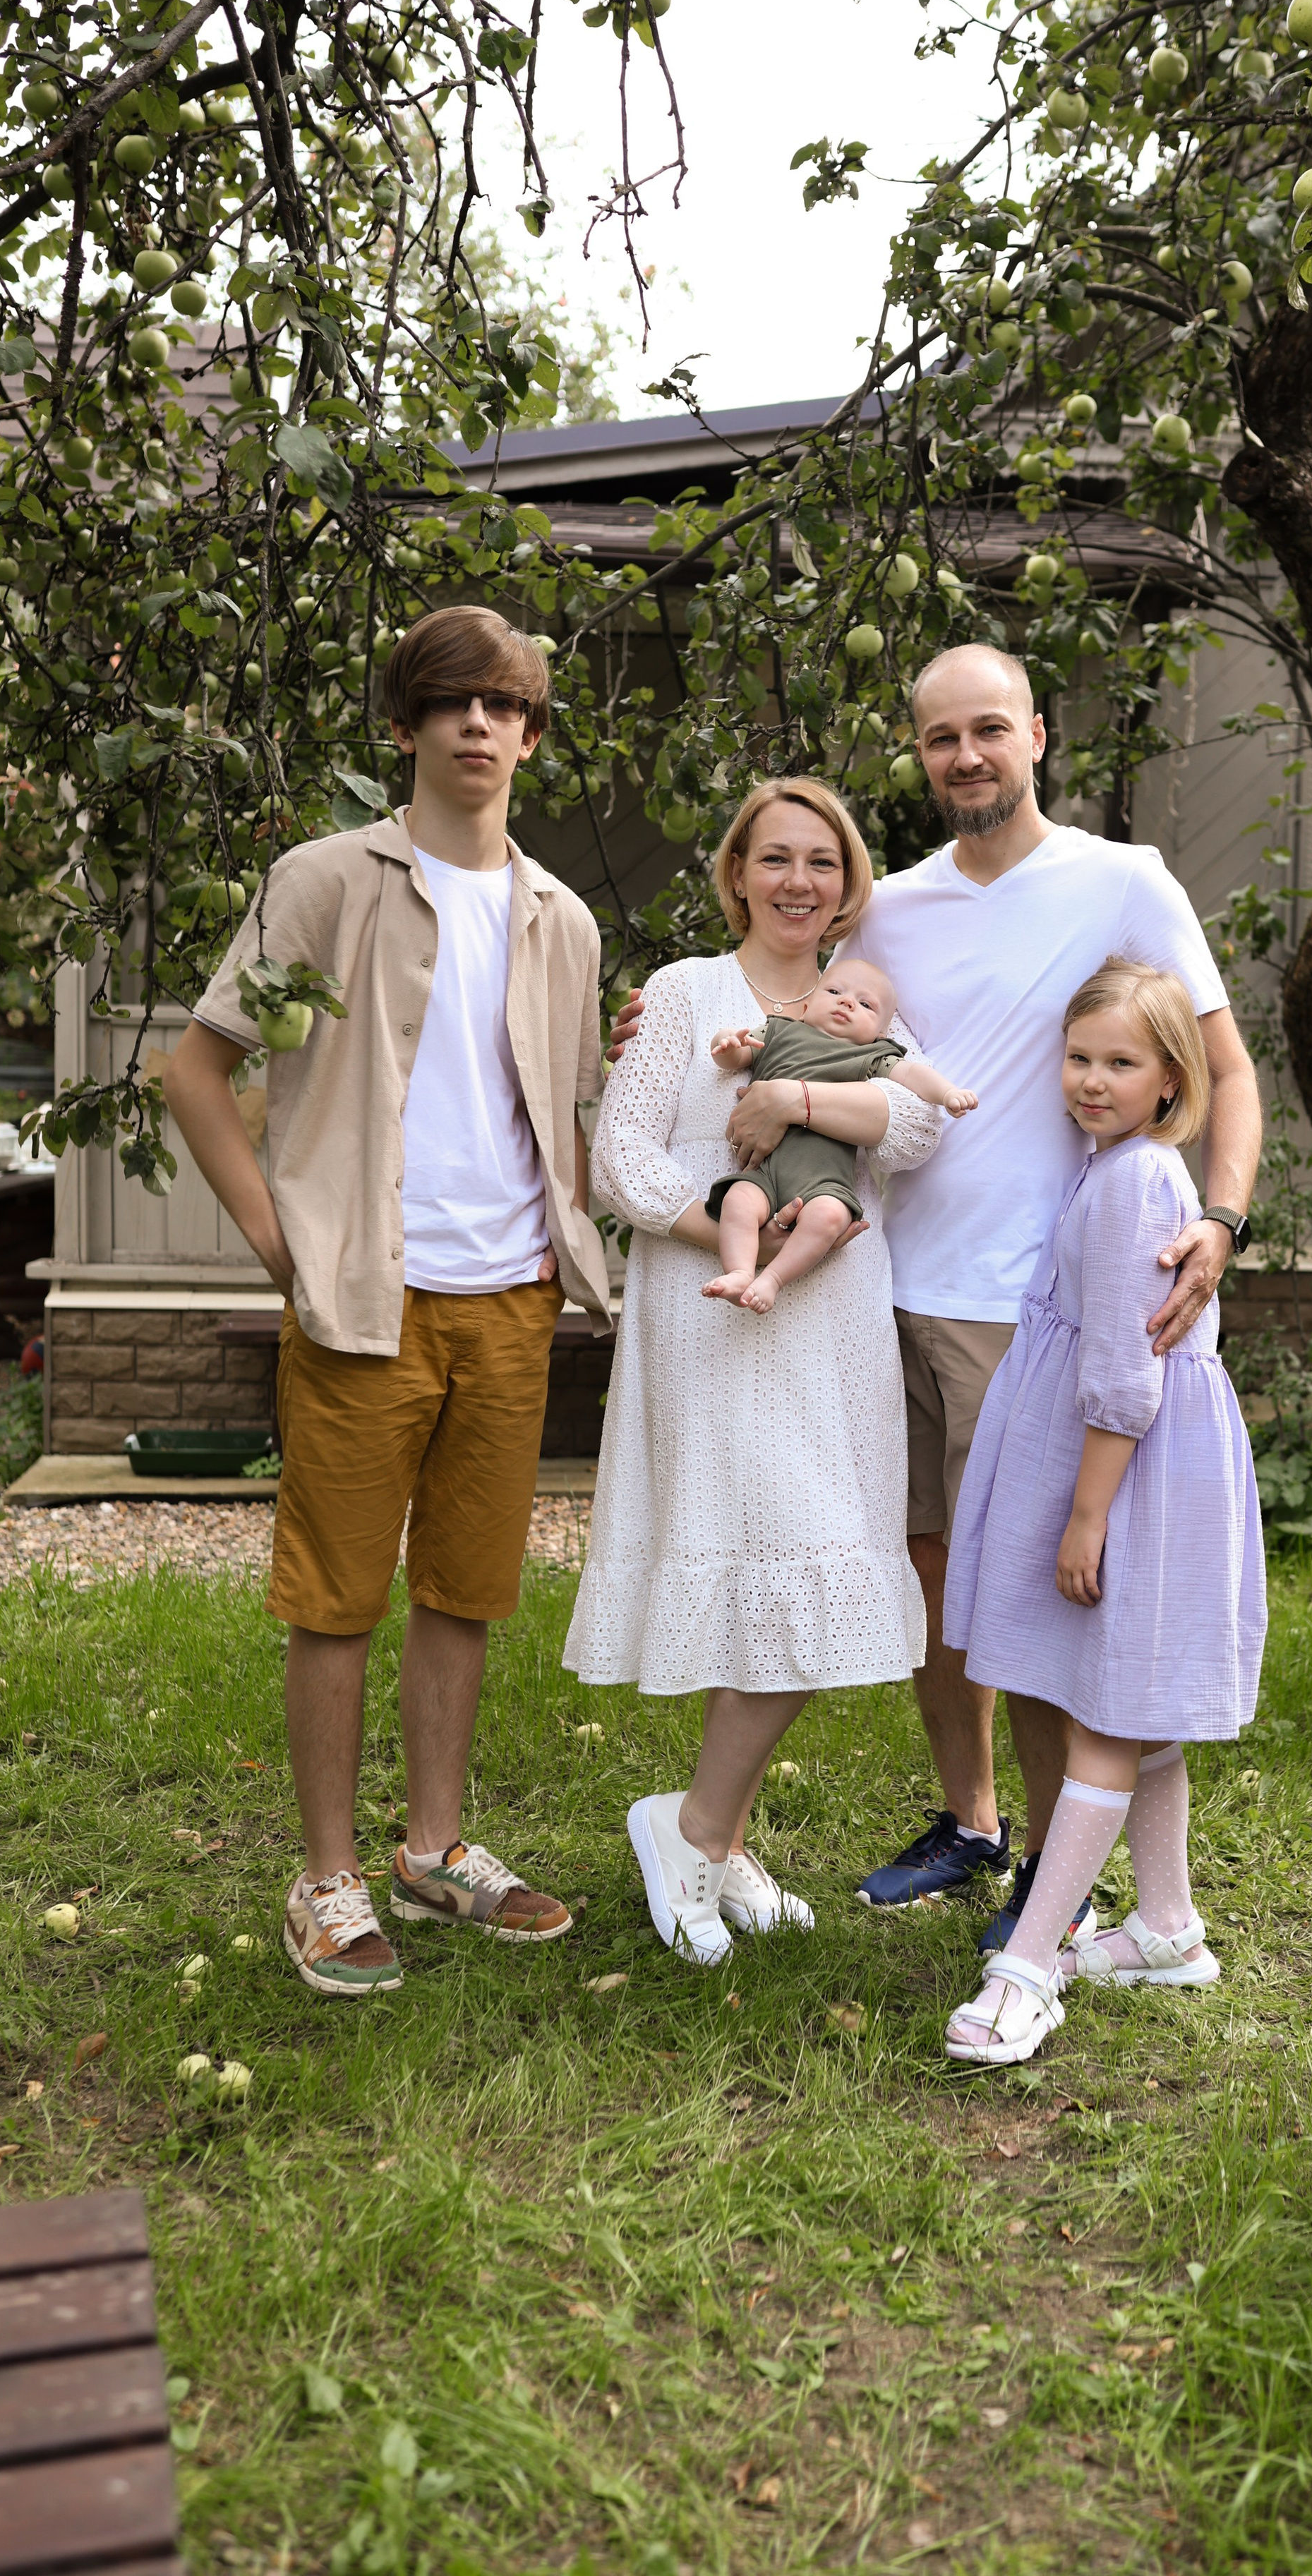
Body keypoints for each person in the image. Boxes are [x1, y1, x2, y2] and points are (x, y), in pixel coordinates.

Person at [614, 645, 1261, 1940]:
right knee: (931, 1581)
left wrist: (1223, 1219)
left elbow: (1227, 1073)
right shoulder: (886, 908)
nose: (965, 757)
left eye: (988, 731)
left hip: (1028, 1304)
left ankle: (1051, 1898)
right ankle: (975, 1822)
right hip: (873, 1290)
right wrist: (653, 1027)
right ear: (919, 753)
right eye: (938, 739)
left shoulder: (1123, 880)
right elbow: (784, 989)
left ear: (1035, 734)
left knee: (1022, 1597)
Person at [163, 607, 610, 2000]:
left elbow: (574, 1106)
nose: (479, 727)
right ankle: (325, 1877)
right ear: (408, 725)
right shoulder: (325, 882)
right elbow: (195, 1068)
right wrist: (275, 1234)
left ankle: (433, 1851)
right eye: (451, 702)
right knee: (337, 1601)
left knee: (465, 1592)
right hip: (366, 1299)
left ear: (532, 735)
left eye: (505, 707)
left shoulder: (561, 920)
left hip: (511, 1297)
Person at [564, 778, 945, 1967]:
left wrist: (795, 1096)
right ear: (737, 874)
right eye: (775, 859)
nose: (798, 882)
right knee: (769, 1555)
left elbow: (924, 1126)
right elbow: (619, 1152)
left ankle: (702, 1833)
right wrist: (722, 1230)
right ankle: (695, 1836)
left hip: (830, 1324)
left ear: (848, 885)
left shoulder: (864, 1002)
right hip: (715, 1301)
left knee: (812, 1560)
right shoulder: (685, 992)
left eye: (822, 863)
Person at [940, 960, 1265, 2064]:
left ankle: (1029, 1966)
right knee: (1129, 1699)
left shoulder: (1137, 1182)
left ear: (1172, 1078)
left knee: (1105, 1717)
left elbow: (1127, 1375)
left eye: (1120, 1063)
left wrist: (1088, 1517)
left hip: (1129, 1474)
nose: (1091, 1079)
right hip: (1118, 1463)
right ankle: (1168, 1928)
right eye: (1079, 1058)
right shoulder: (1112, 1165)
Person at [703, 959, 977, 1312]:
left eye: (866, 1005)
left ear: (881, 1033)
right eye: (834, 992)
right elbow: (736, 1054)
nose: (847, 1002)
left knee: (831, 1217)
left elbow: (914, 1076)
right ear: (805, 1008)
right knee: (738, 1202)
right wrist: (725, 1042)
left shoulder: (871, 1056)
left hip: (825, 1180)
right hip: (764, 1171)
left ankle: (772, 1278)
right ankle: (740, 1271)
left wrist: (947, 1093)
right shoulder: (779, 1032)